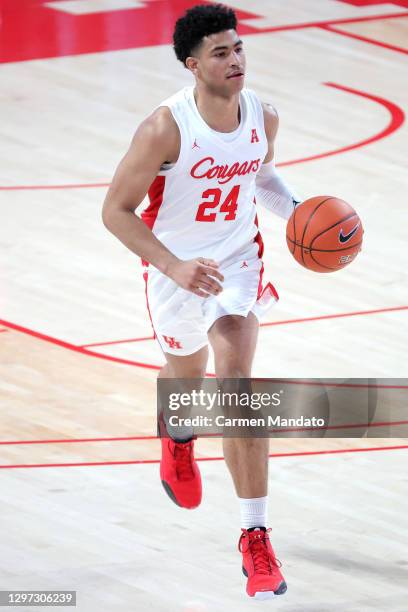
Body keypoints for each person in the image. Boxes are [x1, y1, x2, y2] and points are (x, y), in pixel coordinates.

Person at [102, 3, 301, 600]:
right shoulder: (165, 127)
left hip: (238, 258)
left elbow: (259, 174)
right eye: (220, 52)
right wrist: (174, 265)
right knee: (185, 374)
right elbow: (114, 210)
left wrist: (301, 214)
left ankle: (255, 537)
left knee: (237, 381)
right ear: (193, 65)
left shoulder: (262, 114)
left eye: (238, 47)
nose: (235, 59)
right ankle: (178, 437)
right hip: (176, 267)